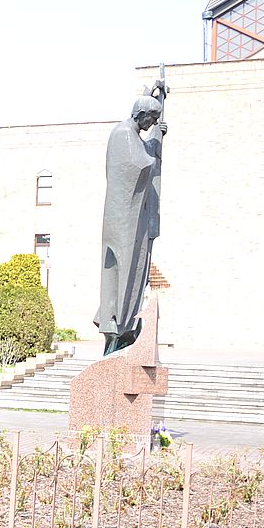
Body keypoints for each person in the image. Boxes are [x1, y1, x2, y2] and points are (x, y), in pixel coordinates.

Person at [96, 87, 166, 355]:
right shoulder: (123, 133)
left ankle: (126, 326)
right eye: (151, 119)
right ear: (141, 114)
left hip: (133, 218)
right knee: (124, 270)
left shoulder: (133, 135)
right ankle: (117, 326)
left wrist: (155, 138)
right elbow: (140, 166)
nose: (152, 124)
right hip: (124, 218)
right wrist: (155, 143)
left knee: (136, 269)